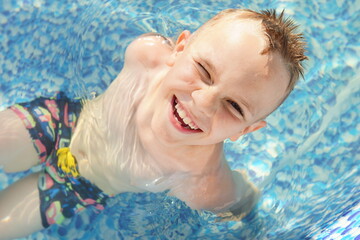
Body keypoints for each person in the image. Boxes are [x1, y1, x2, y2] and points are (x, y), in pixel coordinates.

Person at [0, 8, 307, 239]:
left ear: (245, 131)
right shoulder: (145, 55)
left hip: (78, 187)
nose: (203, 102)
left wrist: (254, 217)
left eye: (234, 106)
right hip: (63, 122)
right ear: (180, 47)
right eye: (204, 70)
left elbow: (241, 201)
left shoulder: (201, 180)